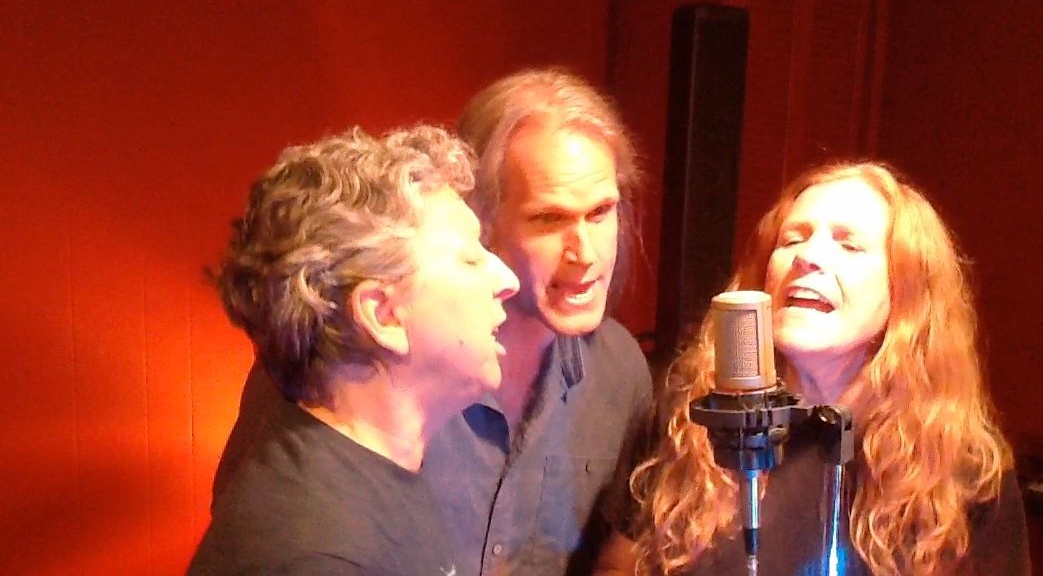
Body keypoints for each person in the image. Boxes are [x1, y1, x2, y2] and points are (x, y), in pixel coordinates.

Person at [210, 68, 653, 576]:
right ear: (483, 220)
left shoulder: (619, 372)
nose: (586, 253)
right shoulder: (336, 372)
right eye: (548, 219)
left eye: (601, 212)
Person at [595, 162, 1030, 575]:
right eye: (792, 240)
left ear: (906, 291)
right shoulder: (692, 416)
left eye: (848, 245)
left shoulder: (963, 465)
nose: (807, 257)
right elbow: (618, 565)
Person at [190, 124, 519, 574]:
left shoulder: (378, 469)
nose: (507, 280)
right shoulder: (315, 555)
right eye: (470, 258)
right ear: (382, 314)